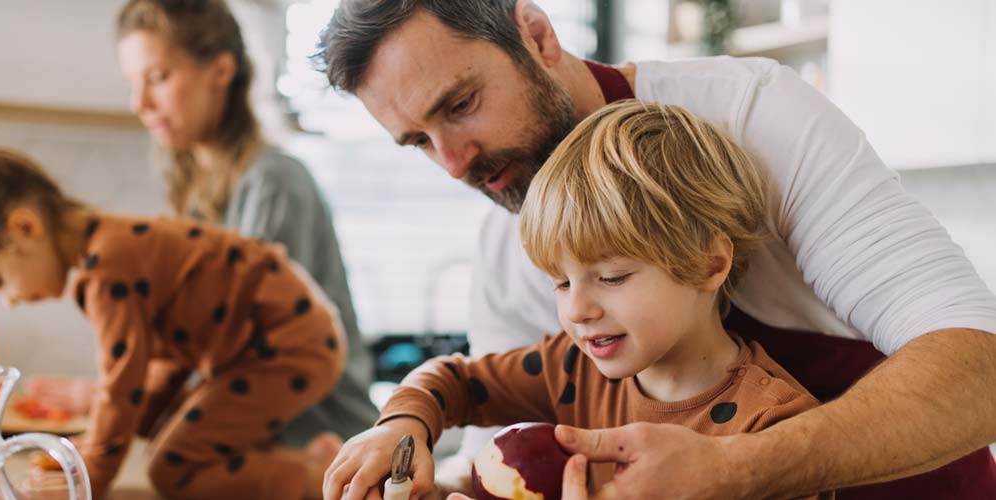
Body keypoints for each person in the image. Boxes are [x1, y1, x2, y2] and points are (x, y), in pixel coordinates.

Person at [315, 1, 996, 498]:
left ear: (538, 35)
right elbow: (507, 457)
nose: (453, 163)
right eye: (418, 142)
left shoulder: (756, 116)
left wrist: (736, 471)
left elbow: (981, 367)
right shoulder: (513, 245)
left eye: (460, 104)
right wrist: (418, 464)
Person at [325, 100, 834, 500]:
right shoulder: (572, 368)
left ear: (709, 264)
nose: (576, 311)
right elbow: (451, 381)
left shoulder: (772, 427)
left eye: (611, 277)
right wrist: (401, 429)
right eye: (561, 283)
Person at [0, 123, 344, 499]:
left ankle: (318, 478)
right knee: (160, 432)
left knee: (173, 469)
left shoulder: (107, 269)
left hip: (287, 343)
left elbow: (122, 387)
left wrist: (89, 478)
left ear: (25, 228)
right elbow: (155, 366)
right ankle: (307, 462)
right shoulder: (112, 247)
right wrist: (91, 445)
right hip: (279, 339)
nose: (7, 300)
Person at [115, 0, 378, 447]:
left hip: (324, 446)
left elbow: (238, 345)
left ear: (220, 71)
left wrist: (120, 400)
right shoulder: (197, 197)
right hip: (254, 443)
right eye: (132, 83)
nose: (139, 103)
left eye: (158, 78)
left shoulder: (274, 182)